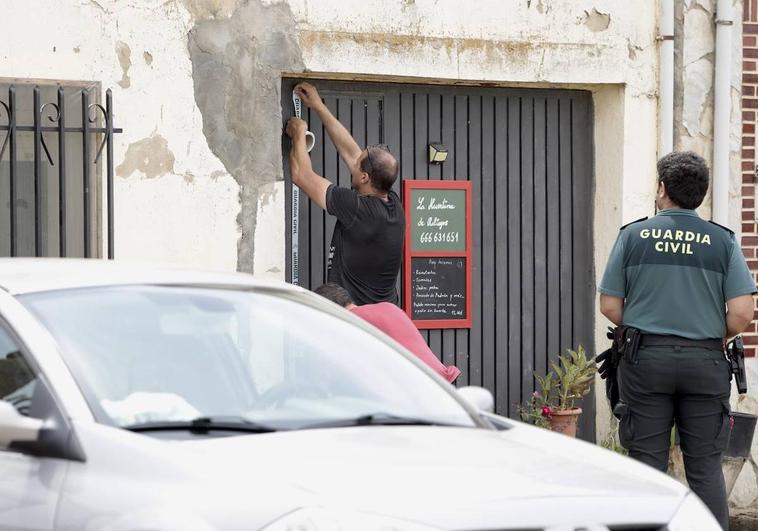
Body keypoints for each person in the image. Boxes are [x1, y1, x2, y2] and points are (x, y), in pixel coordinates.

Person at [598, 151, 756, 529]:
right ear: (700, 194)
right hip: (705, 362)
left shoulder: (633, 235)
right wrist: (710, 336)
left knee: (646, 463)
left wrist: (642, 325)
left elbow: (609, 305)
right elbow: (742, 314)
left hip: (645, 360)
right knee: (704, 467)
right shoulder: (723, 241)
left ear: (662, 188)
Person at [285, 82, 404, 305]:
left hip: (356, 318)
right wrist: (319, 106)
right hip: (383, 315)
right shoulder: (393, 205)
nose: (354, 161)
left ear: (365, 178)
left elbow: (301, 174)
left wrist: (299, 134)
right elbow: (350, 151)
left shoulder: (358, 208)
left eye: (358, 164)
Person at [314, 283, 461, 383]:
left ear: (330, 309)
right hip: (441, 382)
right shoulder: (387, 307)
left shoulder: (352, 323)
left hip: (419, 390)